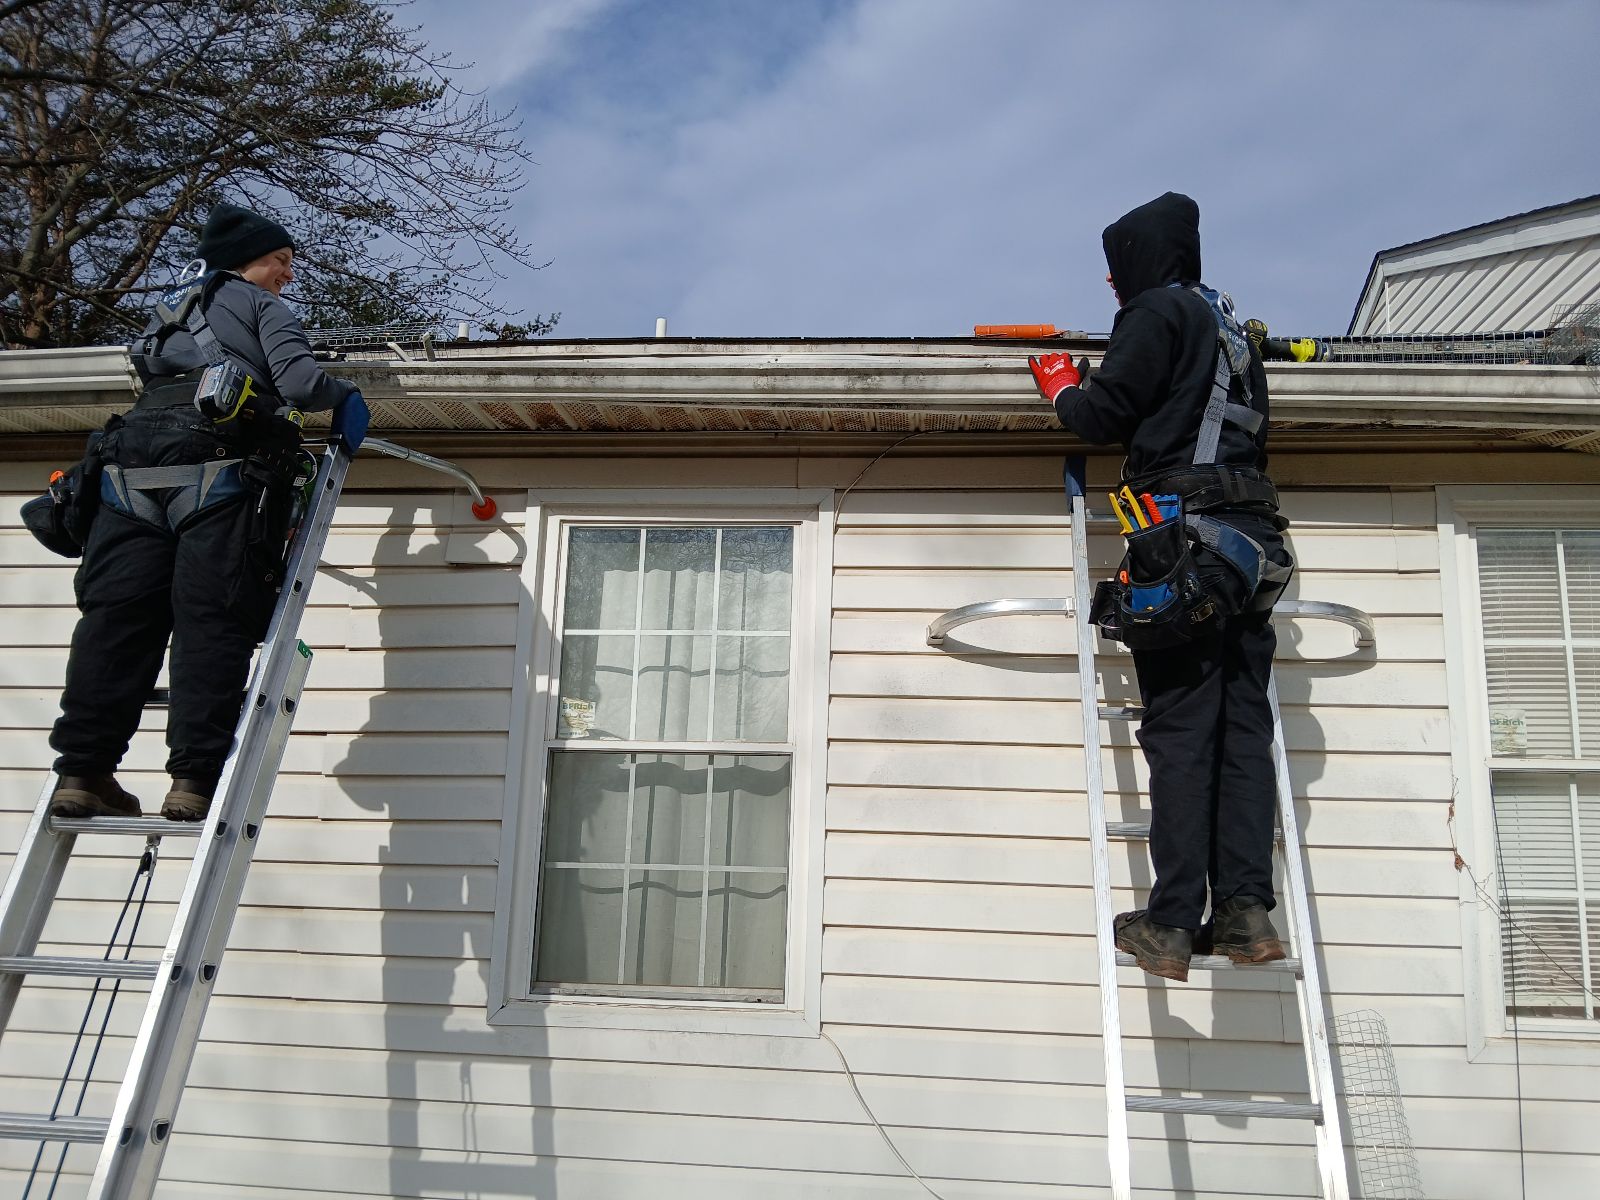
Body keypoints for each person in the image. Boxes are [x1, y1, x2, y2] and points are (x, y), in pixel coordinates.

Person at [1029, 192, 1295, 982]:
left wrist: (1059, 388)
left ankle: (1173, 922)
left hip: (1184, 545)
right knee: (1241, 733)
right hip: (1253, 544)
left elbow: (1103, 416)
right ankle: (1246, 915)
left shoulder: (1155, 313)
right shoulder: (1233, 333)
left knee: (1180, 735)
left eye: (1118, 273)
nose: (1115, 290)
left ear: (1140, 263)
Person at [48, 203, 368, 822]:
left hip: (126, 475)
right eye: (280, 261)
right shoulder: (261, 305)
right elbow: (301, 385)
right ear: (246, 261)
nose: (287, 275)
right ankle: (192, 782)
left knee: (116, 624)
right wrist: (346, 394)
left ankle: (84, 773)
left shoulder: (168, 313)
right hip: (218, 473)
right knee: (210, 621)